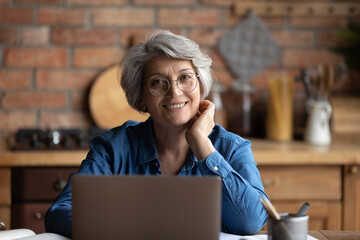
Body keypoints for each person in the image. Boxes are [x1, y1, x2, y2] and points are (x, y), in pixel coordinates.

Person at [45, 30, 268, 238]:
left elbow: (251, 221)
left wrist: (203, 147)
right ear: (141, 98)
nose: (174, 92)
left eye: (185, 78)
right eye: (158, 82)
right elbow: (61, 212)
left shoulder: (232, 148)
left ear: (200, 85)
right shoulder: (113, 148)